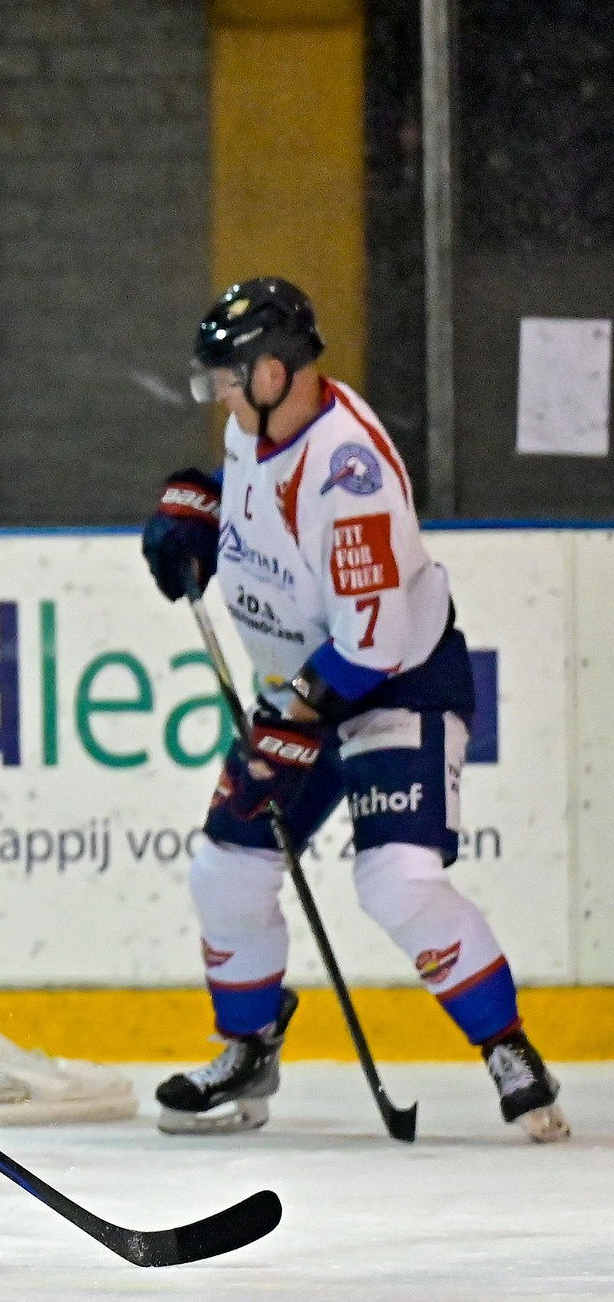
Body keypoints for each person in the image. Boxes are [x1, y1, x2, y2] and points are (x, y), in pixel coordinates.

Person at [140, 277, 568, 1142]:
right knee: (225, 869)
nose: (219, 392)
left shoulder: (354, 474)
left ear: (273, 371)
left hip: (396, 684)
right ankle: (249, 1048)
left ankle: (507, 1047)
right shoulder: (255, 427)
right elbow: (262, 514)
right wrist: (199, 512)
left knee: (397, 879)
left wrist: (295, 719)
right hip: (302, 687)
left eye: (229, 375)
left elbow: (371, 645)